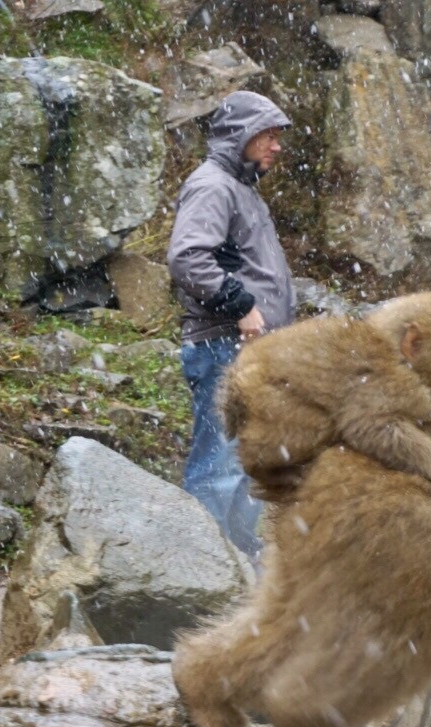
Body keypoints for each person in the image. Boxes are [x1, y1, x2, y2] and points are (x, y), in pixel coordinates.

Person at [167, 90, 295, 557]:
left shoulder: (241, 190)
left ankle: (235, 575)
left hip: (248, 352)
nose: (276, 146)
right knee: (219, 468)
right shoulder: (213, 185)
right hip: (224, 346)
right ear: (239, 135)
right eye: (268, 135)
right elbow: (187, 257)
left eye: (278, 137)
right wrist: (241, 305)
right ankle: (197, 573)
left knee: (244, 469)